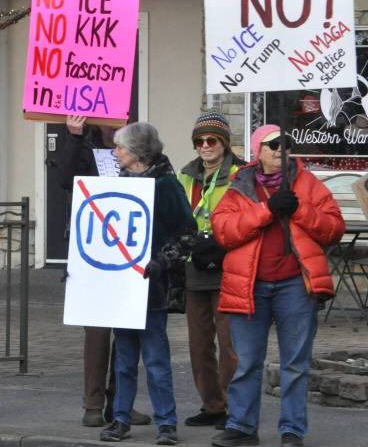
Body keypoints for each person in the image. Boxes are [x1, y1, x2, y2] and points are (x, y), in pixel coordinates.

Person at [210, 125, 345, 447]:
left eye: (286, 143)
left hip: (295, 286)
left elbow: (333, 229)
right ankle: (242, 428)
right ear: (258, 151)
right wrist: (266, 210)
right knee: (246, 362)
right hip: (249, 287)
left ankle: (292, 432)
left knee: (296, 364)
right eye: (272, 145)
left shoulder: (309, 184)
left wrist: (300, 209)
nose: (280, 149)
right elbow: (225, 231)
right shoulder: (239, 185)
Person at [100, 122, 196, 445]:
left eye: (121, 148)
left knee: (155, 358)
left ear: (138, 152)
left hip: (152, 286)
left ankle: (166, 423)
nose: (116, 153)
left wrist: (160, 262)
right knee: (124, 359)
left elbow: (187, 234)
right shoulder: (122, 182)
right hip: (123, 285)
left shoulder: (166, 185)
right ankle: (120, 419)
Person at [56, 115, 151, 428]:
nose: (119, 121)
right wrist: (73, 135)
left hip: (130, 253)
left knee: (127, 330)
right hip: (93, 252)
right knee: (97, 333)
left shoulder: (139, 148)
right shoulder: (85, 145)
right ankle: (93, 404)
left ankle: (120, 403)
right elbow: (65, 177)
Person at [177, 112, 243, 430]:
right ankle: (212, 404)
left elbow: (248, 217)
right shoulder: (186, 176)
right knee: (199, 342)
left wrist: (221, 243)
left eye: (211, 140)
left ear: (224, 142)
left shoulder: (240, 174)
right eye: (199, 141)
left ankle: (234, 407)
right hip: (195, 268)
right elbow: (176, 213)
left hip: (230, 266)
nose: (205, 146)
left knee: (230, 342)